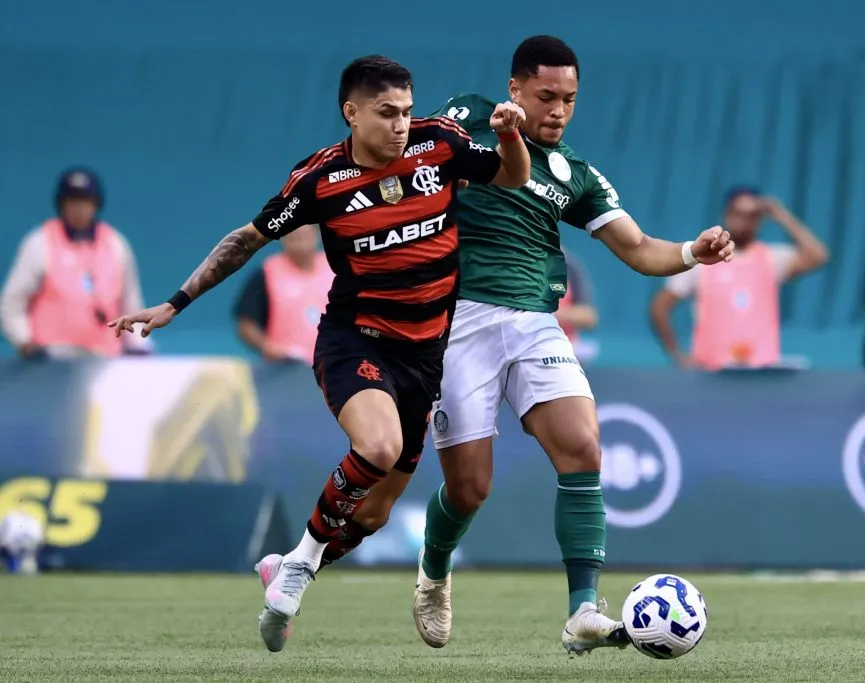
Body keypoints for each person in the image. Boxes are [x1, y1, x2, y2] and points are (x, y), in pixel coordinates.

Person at [265, 36, 734, 655]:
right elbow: (398, 153)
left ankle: (582, 609)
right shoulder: (466, 117)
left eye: (569, 99)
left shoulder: (576, 174)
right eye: (546, 95)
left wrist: (692, 253)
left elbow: (641, 249)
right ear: (515, 89)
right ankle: (434, 571)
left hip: (537, 322)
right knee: (470, 488)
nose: (558, 110)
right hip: (456, 321)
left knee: (583, 447)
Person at [108, 54, 530, 653]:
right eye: (386, 113)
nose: (401, 124)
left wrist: (510, 135)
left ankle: (288, 565)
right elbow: (245, 241)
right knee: (378, 447)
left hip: (425, 357)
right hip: (355, 341)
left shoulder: (440, 143)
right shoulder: (319, 180)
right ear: (351, 113)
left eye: (406, 111)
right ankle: (301, 566)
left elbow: (512, 177)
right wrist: (175, 303)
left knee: (374, 515)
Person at [648, 185, 829, 369]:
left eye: (752, 216)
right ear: (727, 216)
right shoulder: (701, 261)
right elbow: (659, 307)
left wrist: (781, 215)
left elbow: (818, 255)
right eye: (739, 214)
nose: (744, 221)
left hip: (761, 372)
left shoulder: (773, 259)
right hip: (711, 372)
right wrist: (678, 356)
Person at [1, 168, 150, 359]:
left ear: (96, 204)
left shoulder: (115, 244)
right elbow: (11, 303)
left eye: (85, 201)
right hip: (52, 361)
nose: (79, 208)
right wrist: (25, 341)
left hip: (107, 360)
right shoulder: (40, 242)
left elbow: (131, 305)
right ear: (61, 204)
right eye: (72, 201)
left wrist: (139, 345)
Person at [233, 224, 333, 364]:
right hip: (284, 366)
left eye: (305, 233)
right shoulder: (267, 272)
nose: (300, 238)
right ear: (283, 237)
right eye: (294, 234)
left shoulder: (337, 268)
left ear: (317, 234)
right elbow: (246, 323)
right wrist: (266, 347)